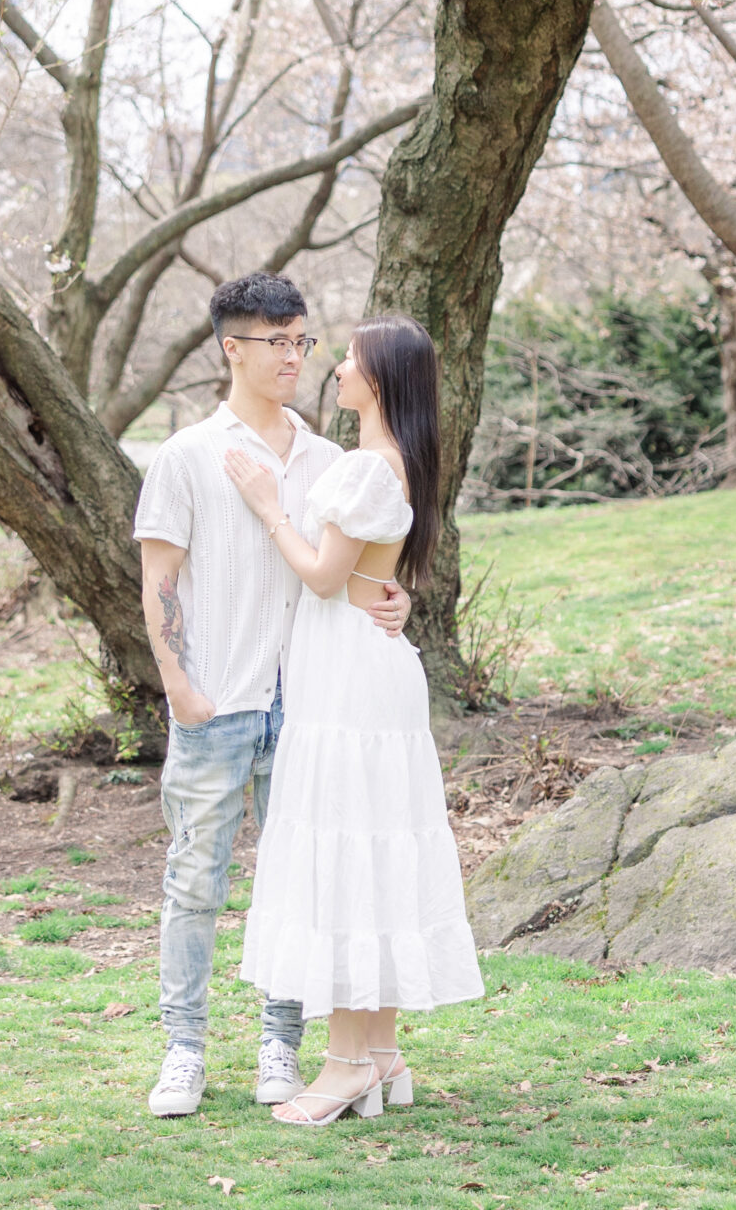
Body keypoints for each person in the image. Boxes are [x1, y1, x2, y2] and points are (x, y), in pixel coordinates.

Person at [133, 271, 412, 1120]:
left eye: (304, 341)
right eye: (277, 343)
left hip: (313, 708)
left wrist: (401, 602)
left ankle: (278, 1047)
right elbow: (159, 579)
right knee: (194, 884)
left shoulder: (330, 461)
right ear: (233, 348)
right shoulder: (186, 455)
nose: (295, 356)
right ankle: (183, 1050)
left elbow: (354, 570)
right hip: (218, 703)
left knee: (299, 884)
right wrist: (179, 685)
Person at [224, 314, 483, 1127]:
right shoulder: (386, 464)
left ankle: (342, 1066)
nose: (334, 367)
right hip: (363, 669)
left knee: (347, 853)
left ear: (379, 379)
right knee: (367, 850)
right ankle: (377, 1055)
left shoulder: (371, 469)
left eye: (349, 359)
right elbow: (373, 575)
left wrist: (269, 507)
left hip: (351, 680)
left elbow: (325, 575)